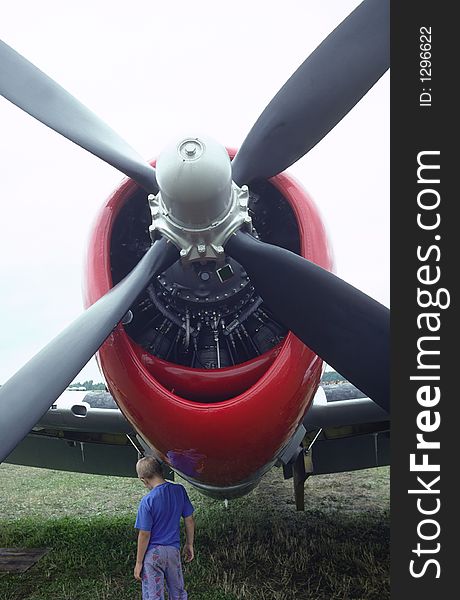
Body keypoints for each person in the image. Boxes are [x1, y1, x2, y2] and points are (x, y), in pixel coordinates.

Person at [134, 456, 195, 600]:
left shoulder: (147, 501)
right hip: (173, 552)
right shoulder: (179, 490)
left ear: (144, 480)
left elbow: (144, 534)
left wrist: (139, 562)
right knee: (178, 592)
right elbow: (189, 519)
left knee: (153, 595)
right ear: (161, 471)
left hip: (153, 555)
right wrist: (189, 543)